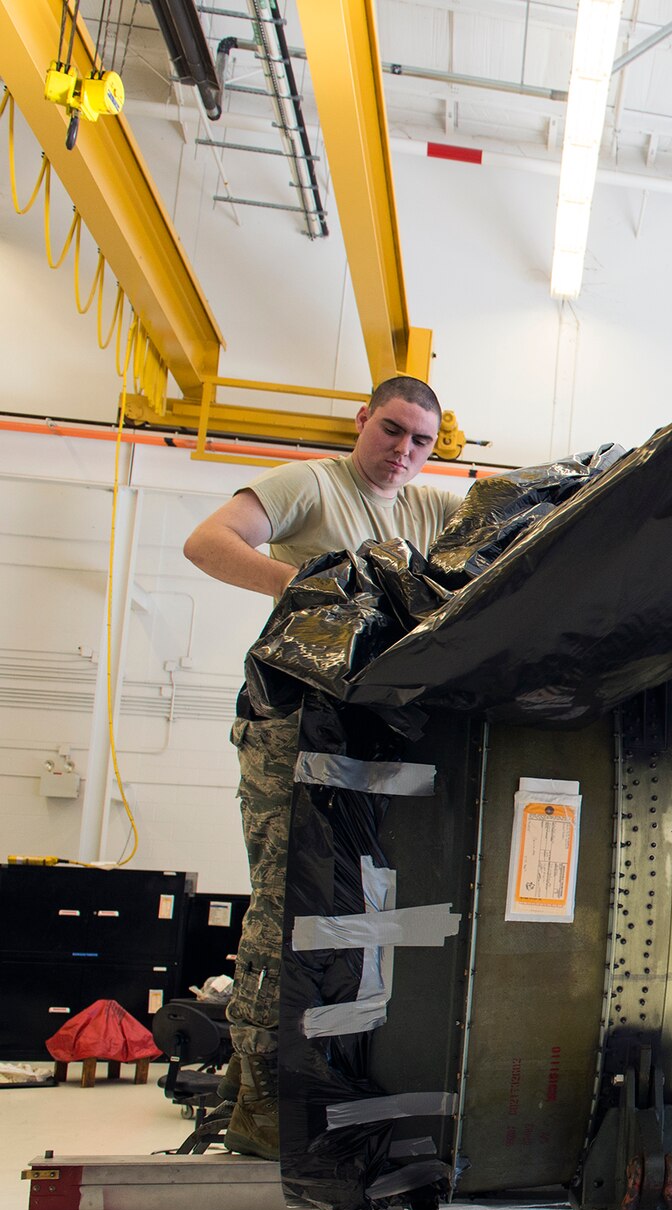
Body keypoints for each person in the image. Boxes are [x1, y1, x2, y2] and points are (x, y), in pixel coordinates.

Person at [183, 375, 459, 1160]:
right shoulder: (310, 483)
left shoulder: (424, 508)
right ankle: (266, 1101)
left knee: (348, 911)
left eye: (422, 442)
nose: (403, 451)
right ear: (362, 419)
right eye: (393, 430)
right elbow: (208, 541)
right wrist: (309, 592)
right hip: (292, 724)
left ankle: (270, 1086)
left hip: (363, 739)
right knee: (287, 904)